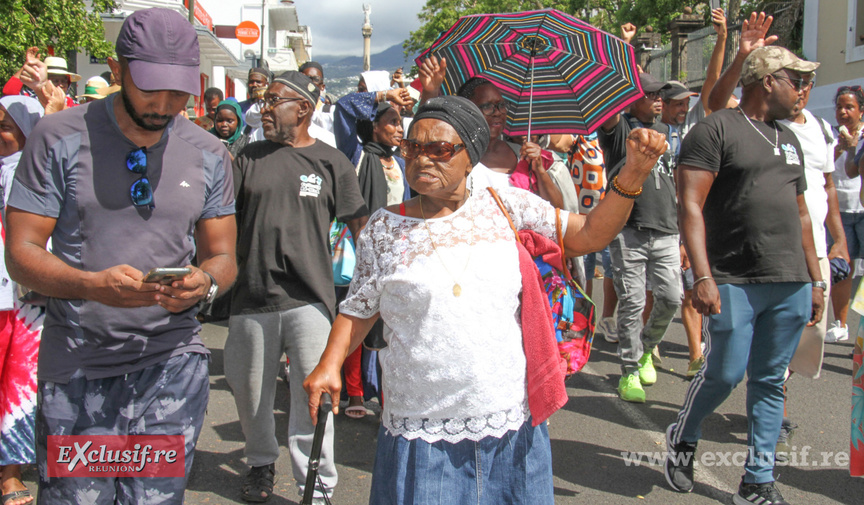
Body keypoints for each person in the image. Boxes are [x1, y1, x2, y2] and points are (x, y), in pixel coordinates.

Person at [302, 95, 667, 504]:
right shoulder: (384, 228)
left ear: (470, 156)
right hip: (423, 430)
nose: (422, 159)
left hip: (510, 424)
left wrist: (633, 173)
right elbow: (358, 308)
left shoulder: (506, 206)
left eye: (439, 149)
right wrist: (329, 364)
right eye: (413, 147)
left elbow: (589, 234)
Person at [4, 8, 237, 503]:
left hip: (172, 366)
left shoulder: (211, 153)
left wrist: (206, 282)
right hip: (78, 368)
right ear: (117, 69)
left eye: (179, 91)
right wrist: (90, 285)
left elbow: (223, 256)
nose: (165, 104)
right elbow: (21, 253)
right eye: (150, 87)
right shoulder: (57, 137)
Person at [665, 14, 823, 505]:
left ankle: (757, 481)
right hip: (732, 276)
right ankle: (683, 435)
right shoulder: (716, 129)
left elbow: (801, 213)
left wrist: (816, 279)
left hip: (790, 279)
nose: (803, 89)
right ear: (768, 81)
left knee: (771, 381)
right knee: (726, 374)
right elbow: (690, 205)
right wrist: (702, 274)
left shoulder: (789, 139)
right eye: (796, 80)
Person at [226, 71, 369, 503]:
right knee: (251, 394)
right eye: (264, 101)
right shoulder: (248, 157)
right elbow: (222, 218)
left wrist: (368, 288)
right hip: (252, 296)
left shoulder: (332, 162)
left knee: (314, 397)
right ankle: (260, 463)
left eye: (274, 101)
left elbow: (360, 227)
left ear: (303, 108)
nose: (264, 108)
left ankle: (317, 484)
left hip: (311, 300)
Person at [598, 72, 682, 403]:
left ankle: (646, 349)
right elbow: (608, 111)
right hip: (629, 229)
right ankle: (629, 370)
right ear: (632, 97)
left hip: (667, 229)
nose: (658, 99)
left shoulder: (666, 132)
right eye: (650, 94)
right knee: (632, 302)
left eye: (661, 94)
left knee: (671, 298)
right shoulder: (620, 129)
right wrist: (619, 73)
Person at [0, 96, 44, 505]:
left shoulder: (37, 175)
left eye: (5, 126)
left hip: (27, 298)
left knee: (20, 381)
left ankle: (10, 472)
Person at [453, 76, 570, 207]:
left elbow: (557, 209)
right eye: (487, 106)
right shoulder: (458, 157)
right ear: (467, 110)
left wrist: (540, 170)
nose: (497, 113)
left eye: (501, 105)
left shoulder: (523, 155)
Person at [828, 85, 864, 342]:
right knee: (841, 269)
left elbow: (853, 172)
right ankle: (840, 324)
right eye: (839, 107)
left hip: (862, 209)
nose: (843, 112)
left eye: (849, 107)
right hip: (839, 212)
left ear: (861, 111)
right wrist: (839, 149)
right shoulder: (830, 135)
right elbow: (822, 167)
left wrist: (852, 148)